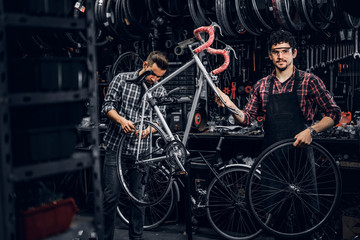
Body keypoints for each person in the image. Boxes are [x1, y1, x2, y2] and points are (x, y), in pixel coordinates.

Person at [215, 30, 341, 239]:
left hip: (300, 159)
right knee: (276, 220)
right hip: (273, 159)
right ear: (270, 55)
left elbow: (334, 114)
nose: (280, 56)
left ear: (294, 53)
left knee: (304, 219)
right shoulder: (262, 85)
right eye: (276, 52)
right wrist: (229, 103)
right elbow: (246, 119)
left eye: (285, 51)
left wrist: (311, 130)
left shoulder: (310, 81)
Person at [101, 51, 169, 240]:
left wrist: (148, 130)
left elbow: (160, 121)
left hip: (142, 152)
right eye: (153, 74)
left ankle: (136, 238)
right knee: (110, 198)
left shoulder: (159, 89)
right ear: (145, 65)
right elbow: (107, 107)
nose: (155, 79)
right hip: (116, 148)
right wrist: (122, 120)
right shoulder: (122, 80)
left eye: (159, 77)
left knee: (138, 200)